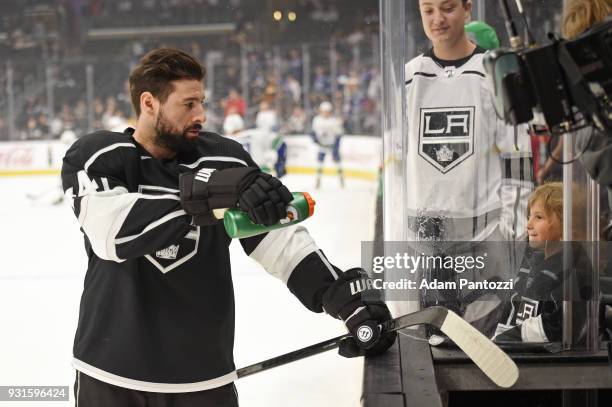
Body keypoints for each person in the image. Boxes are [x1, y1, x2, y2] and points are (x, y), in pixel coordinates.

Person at [61, 48, 395, 407]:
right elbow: (113, 232)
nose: (201, 114)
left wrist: (344, 299)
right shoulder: (99, 156)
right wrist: (208, 194)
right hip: (110, 379)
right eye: (188, 104)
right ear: (149, 103)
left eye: (201, 102)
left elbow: (280, 242)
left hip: (203, 378)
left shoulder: (226, 160)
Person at [405, 0, 533, 336]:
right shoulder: (409, 77)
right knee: (434, 352)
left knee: (480, 352)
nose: (437, 19)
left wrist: (511, 233)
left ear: (467, 9)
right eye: (428, 10)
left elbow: (518, 158)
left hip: (485, 244)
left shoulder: (495, 74)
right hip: (428, 246)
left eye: (446, 8)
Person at [493, 183, 591, 342]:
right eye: (529, 217)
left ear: (566, 227)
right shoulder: (531, 263)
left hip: (539, 363)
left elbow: (559, 326)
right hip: (511, 353)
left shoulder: (573, 272)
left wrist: (504, 340)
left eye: (539, 217)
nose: (528, 225)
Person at [311, 101, 344, 189]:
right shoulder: (317, 120)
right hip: (322, 144)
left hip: (332, 145)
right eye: (323, 111)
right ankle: (318, 179)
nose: (325, 113)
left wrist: (336, 146)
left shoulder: (334, 121)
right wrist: (315, 139)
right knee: (319, 162)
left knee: (337, 162)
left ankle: (341, 177)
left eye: (327, 111)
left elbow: (338, 135)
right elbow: (313, 132)